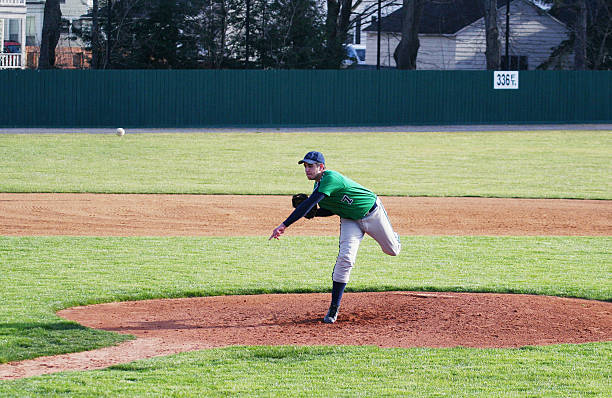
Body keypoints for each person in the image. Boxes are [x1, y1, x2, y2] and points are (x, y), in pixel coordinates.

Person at [269, 151, 401, 323]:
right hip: (349, 220)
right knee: (345, 259)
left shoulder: (330, 178)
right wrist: (314, 214)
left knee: (392, 251)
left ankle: (394, 237)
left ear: (321, 167)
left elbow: (310, 203)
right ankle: (333, 309)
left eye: (311, 166)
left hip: (372, 212)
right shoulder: (318, 188)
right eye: (305, 166)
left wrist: (284, 225)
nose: (307, 169)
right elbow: (330, 209)